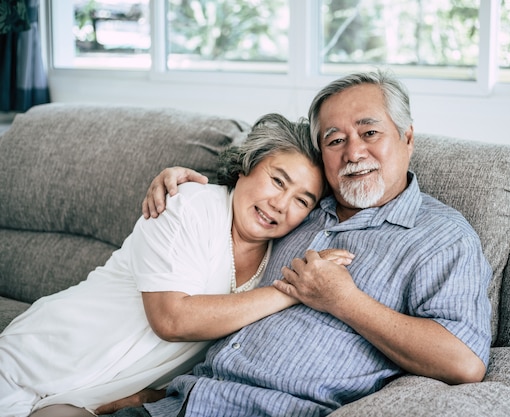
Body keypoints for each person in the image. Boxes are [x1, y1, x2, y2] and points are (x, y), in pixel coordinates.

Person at [103, 69, 493, 417]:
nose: (354, 152)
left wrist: (345, 300)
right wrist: (180, 183)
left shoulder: (442, 237)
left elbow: (464, 362)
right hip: (181, 401)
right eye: (335, 140)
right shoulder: (300, 210)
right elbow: (252, 189)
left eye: (369, 132)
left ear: (407, 138)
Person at [0, 114, 352, 417]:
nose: (280, 204)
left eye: (301, 200)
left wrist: (156, 396)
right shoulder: (188, 205)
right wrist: (291, 292)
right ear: (246, 166)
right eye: (277, 180)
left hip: (92, 401)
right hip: (36, 360)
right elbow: (171, 320)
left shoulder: (281, 253)